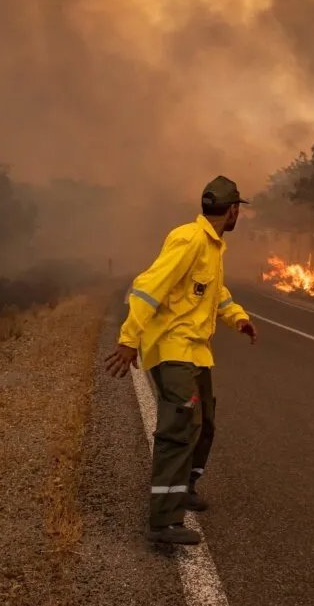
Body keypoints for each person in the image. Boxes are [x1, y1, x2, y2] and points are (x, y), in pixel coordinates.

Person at [104, 175, 258, 545]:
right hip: (172, 349)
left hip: (196, 350)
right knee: (178, 427)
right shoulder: (188, 239)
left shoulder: (213, 246)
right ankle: (163, 521)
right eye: (239, 208)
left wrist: (237, 317)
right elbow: (147, 286)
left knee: (205, 422)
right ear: (233, 209)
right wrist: (129, 340)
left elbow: (216, 293)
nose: (239, 214)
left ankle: (185, 486)